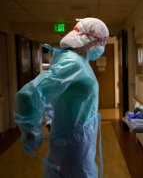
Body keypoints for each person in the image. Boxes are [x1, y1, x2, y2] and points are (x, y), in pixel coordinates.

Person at [13, 17, 109, 178]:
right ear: (89, 40)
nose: (101, 48)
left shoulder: (78, 60)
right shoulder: (73, 63)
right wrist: (31, 131)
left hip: (75, 137)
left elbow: (56, 93)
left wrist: (51, 118)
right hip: (73, 143)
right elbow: (28, 94)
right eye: (101, 43)